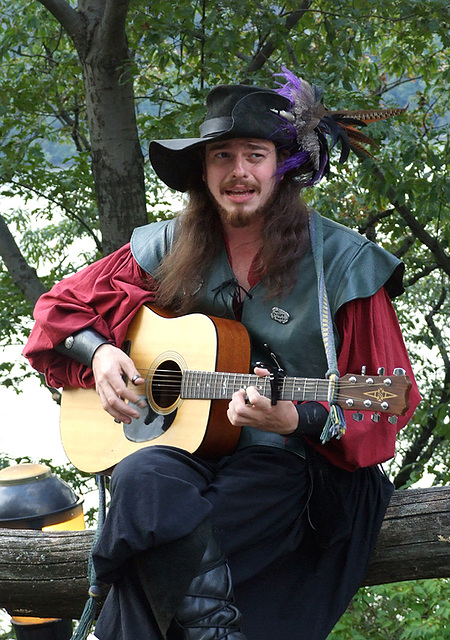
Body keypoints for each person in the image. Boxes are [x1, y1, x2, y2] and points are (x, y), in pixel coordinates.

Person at [24, 68, 420, 640]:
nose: (238, 172)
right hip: (196, 458)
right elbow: (57, 314)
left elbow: (383, 403)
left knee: (158, 536)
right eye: (222, 156)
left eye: (255, 155)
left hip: (298, 475)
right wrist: (101, 353)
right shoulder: (168, 245)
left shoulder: (343, 263)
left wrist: (296, 417)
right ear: (203, 170)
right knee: (141, 479)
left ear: (283, 167)